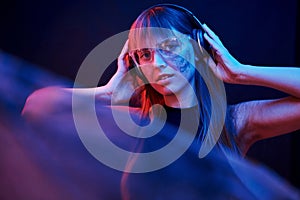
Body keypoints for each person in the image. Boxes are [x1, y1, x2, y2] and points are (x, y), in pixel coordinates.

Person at [21, 3, 300, 199]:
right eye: (145, 55)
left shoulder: (234, 122)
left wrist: (240, 73)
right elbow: (36, 107)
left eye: (167, 47)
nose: (158, 64)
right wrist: (107, 93)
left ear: (198, 45)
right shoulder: (135, 121)